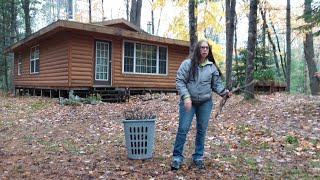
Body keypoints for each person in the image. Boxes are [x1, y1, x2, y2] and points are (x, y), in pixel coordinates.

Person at [171, 39, 231, 170]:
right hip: (189, 102)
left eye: (207, 48)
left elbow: (216, 84)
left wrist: (223, 92)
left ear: (209, 51)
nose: (204, 50)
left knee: (202, 130)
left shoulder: (212, 67)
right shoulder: (187, 64)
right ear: (197, 49)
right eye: (202, 47)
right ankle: (177, 158)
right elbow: (180, 81)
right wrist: (186, 97)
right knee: (183, 129)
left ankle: (197, 157)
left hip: (205, 103)